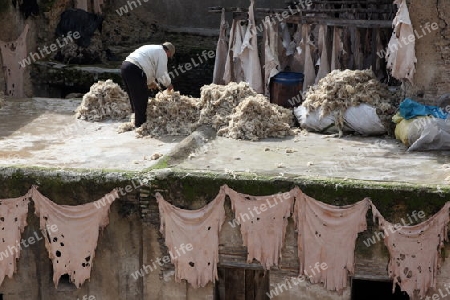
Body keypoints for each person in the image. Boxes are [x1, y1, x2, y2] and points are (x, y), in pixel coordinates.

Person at [120, 42, 175, 127]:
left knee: (133, 96)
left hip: (125, 67)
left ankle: (134, 120)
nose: (168, 57)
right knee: (141, 98)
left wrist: (150, 82)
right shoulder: (162, 53)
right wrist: (169, 85)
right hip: (135, 69)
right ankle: (141, 125)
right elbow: (161, 73)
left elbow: (147, 66)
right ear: (168, 52)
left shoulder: (151, 48)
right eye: (169, 56)